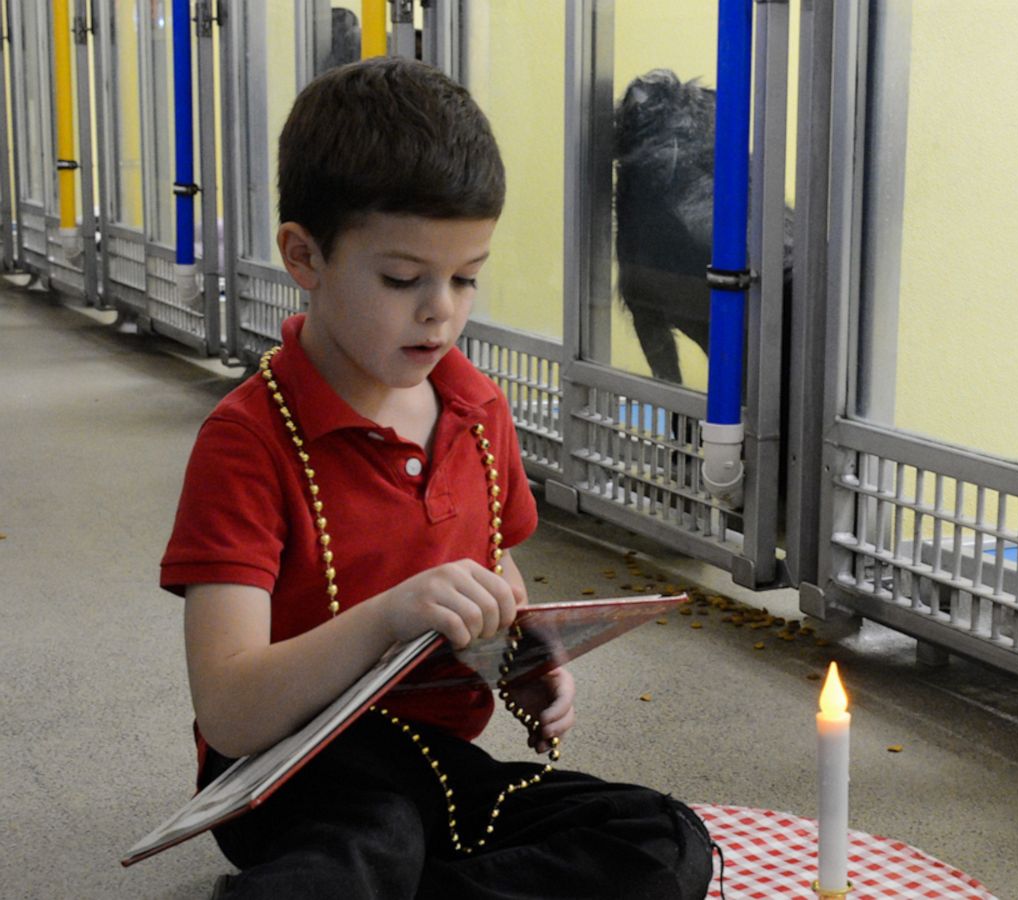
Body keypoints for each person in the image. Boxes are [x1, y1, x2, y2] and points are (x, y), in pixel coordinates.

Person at [160, 57, 713, 899]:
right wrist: (389, 615)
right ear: (303, 256)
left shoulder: (475, 408)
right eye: (402, 278)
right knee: (372, 841)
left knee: (662, 837)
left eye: (465, 277)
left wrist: (527, 660)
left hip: (439, 766)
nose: (441, 311)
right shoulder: (248, 440)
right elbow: (232, 711)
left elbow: (491, 574)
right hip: (297, 775)